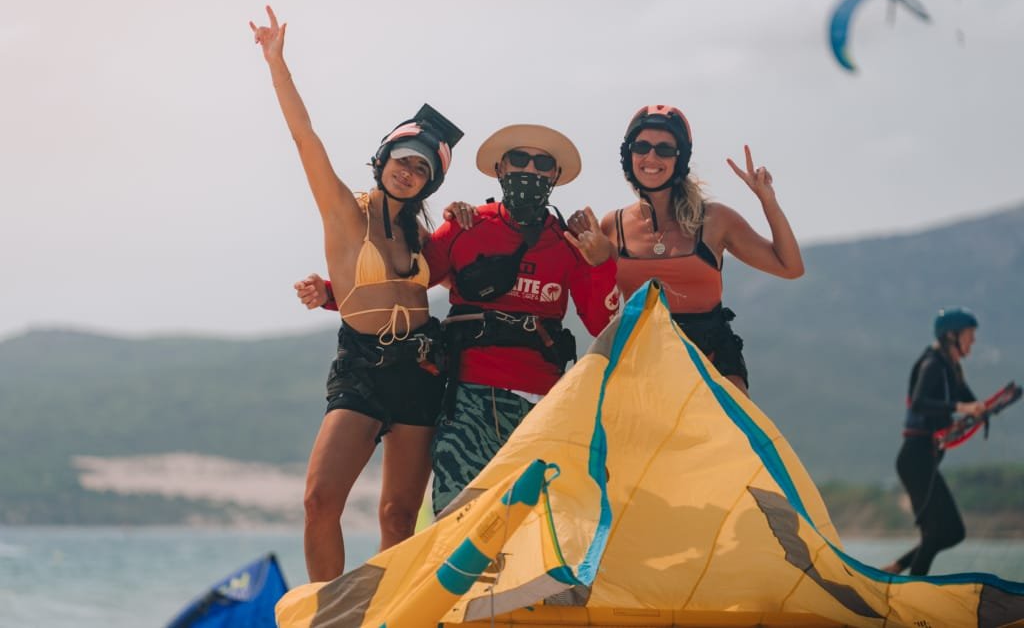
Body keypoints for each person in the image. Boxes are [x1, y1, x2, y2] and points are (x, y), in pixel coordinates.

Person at [297, 124, 620, 516]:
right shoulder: (465, 228)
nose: (530, 170)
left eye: (542, 164)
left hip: (544, 402)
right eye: (519, 159)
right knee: (458, 523)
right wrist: (332, 292)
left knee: (542, 524)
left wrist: (602, 263)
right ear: (500, 168)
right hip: (468, 400)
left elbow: (602, 323)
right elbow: (405, 281)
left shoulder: (572, 244)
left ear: (554, 176)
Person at [250, 5, 463, 581]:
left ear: (430, 182)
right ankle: (329, 614)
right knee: (320, 501)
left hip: (420, 369)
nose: (408, 171)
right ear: (383, 159)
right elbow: (304, 137)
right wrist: (277, 64)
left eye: (422, 168)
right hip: (362, 366)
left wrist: (327, 293)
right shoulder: (344, 211)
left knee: (397, 516)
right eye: (402, 160)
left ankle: (395, 617)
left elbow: (457, 279)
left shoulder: (424, 237)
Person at [569, 105, 804, 395]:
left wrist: (767, 200)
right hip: (640, 369)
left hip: (713, 369)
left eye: (664, 150)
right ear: (629, 155)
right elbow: (601, 309)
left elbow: (790, 267)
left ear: (680, 159)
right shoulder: (612, 224)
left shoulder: (715, 219)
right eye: (642, 146)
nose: (651, 157)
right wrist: (597, 260)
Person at [881, 308, 986, 576]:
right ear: (951, 336)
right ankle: (909, 596)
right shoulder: (932, 365)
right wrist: (963, 408)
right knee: (940, 531)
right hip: (915, 459)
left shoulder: (952, 369)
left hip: (925, 460)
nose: (973, 341)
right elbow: (919, 402)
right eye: (969, 335)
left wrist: (981, 411)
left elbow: (971, 402)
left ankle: (897, 569)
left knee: (952, 532)